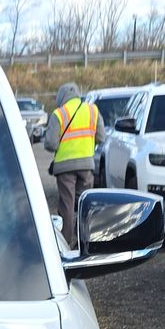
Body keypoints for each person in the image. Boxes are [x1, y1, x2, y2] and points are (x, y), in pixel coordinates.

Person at [43, 81, 104, 248]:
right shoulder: (92, 110)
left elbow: (50, 144)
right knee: (85, 205)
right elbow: (101, 137)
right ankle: (84, 241)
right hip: (87, 166)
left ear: (61, 97)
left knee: (67, 205)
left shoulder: (59, 114)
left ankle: (66, 243)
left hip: (65, 168)